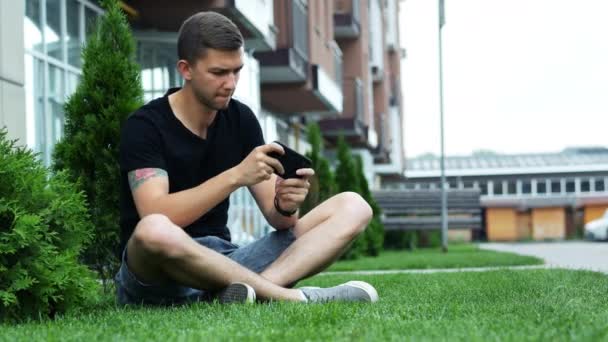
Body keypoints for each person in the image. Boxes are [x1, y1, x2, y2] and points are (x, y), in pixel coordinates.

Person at [114, 11, 378, 305]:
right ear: (185, 69)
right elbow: (156, 213)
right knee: (153, 230)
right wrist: (236, 176)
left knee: (354, 206)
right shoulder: (145, 125)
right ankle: (288, 297)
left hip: (226, 260)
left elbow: (279, 220)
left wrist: (286, 204)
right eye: (218, 73)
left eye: (236, 71)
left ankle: (241, 294)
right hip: (158, 274)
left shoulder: (240, 119)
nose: (231, 83)